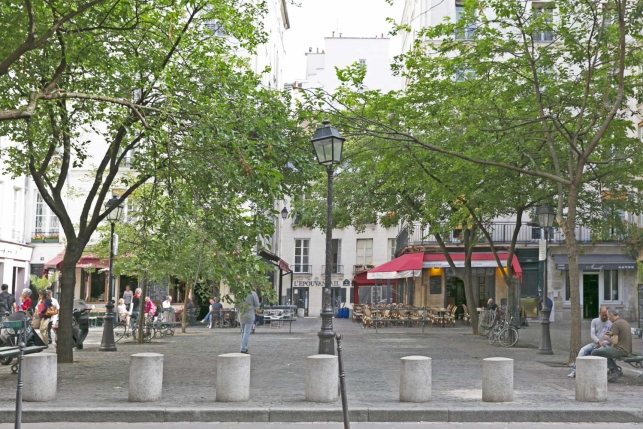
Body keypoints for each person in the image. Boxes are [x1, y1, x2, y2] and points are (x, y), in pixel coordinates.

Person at [568, 306, 612, 378]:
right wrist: (598, 341)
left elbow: (610, 338)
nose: (604, 317)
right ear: (599, 313)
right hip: (595, 343)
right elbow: (592, 334)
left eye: (606, 315)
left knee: (599, 351)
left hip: (605, 345)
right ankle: (575, 370)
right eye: (603, 315)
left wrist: (603, 343)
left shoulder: (611, 323)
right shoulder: (594, 321)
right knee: (583, 350)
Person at [591, 307, 632, 382]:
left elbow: (614, 342)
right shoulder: (625, 322)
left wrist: (607, 338)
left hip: (620, 350)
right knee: (605, 352)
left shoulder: (615, 324)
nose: (608, 319)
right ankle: (614, 370)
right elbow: (622, 334)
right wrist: (612, 333)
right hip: (628, 349)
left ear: (611, 315)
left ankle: (615, 371)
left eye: (608, 316)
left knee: (595, 352)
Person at [239, 289, 260, 354]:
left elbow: (236, 304)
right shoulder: (253, 293)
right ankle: (243, 348)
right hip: (249, 314)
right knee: (246, 332)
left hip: (241, 314)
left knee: (243, 332)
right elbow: (257, 304)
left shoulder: (239, 292)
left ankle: (243, 347)